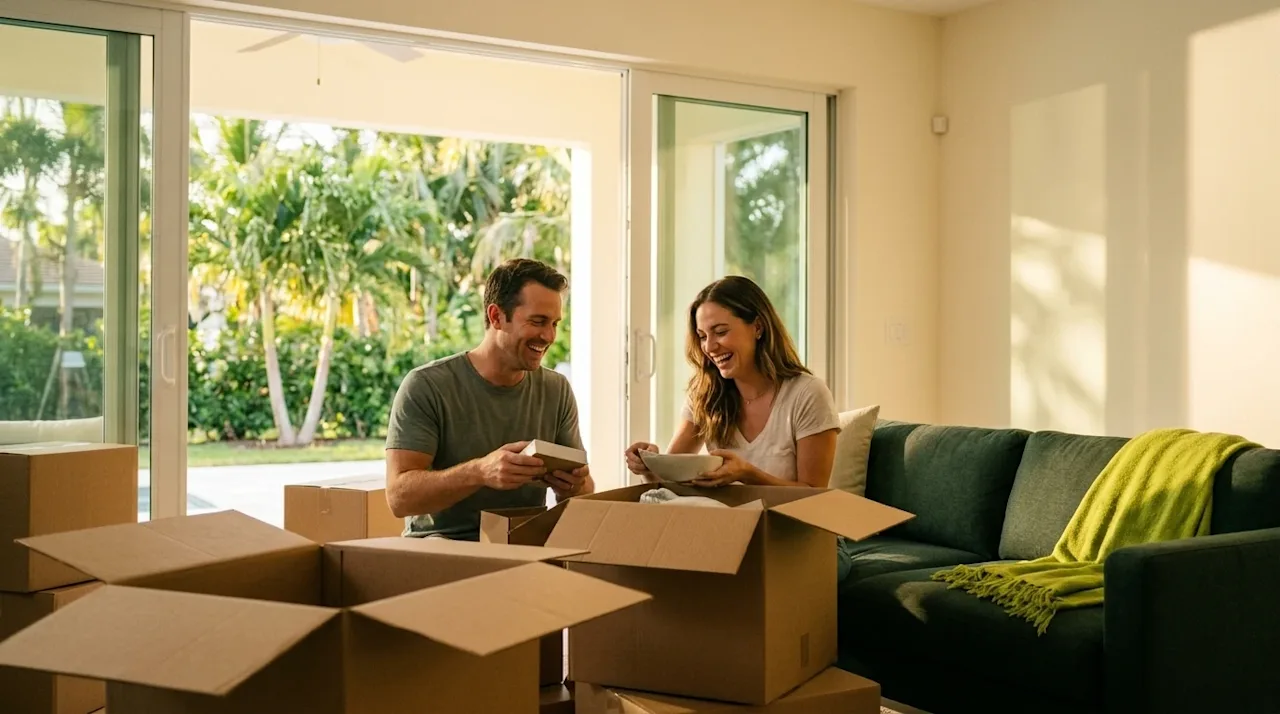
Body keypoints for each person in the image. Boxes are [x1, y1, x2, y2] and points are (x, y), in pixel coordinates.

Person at [384, 258, 594, 541]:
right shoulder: (427, 385)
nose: (549, 336)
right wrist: (480, 472)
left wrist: (572, 486)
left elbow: (584, 493)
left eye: (555, 323)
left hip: (524, 545)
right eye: (538, 321)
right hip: (443, 548)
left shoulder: (556, 389)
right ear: (496, 317)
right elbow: (399, 498)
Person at [624, 275, 841, 489]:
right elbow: (667, 482)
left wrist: (748, 474)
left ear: (758, 327)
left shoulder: (807, 394)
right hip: (723, 523)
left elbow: (814, 494)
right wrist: (650, 465)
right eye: (702, 336)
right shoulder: (704, 394)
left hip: (786, 523)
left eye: (720, 332)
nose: (709, 347)